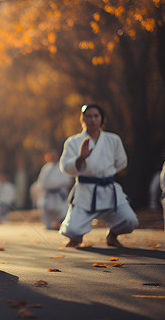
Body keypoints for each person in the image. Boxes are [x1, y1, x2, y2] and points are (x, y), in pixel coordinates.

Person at [59, 104, 138, 247]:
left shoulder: (113, 140)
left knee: (130, 220)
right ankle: (76, 238)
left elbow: (121, 162)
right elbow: (65, 166)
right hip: (85, 191)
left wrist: (105, 173)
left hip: (108, 189)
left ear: (102, 119)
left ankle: (113, 235)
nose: (92, 119)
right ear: (82, 119)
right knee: (72, 229)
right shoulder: (73, 141)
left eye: (96, 116)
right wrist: (81, 158)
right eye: (88, 116)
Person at [32, 150, 73, 230]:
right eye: (51, 155)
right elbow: (41, 181)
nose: (53, 157)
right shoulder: (46, 168)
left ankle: (62, 225)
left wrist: (54, 184)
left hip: (59, 194)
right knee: (44, 206)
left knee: (63, 211)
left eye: (54, 155)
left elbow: (68, 180)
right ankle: (49, 225)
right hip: (48, 194)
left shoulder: (62, 166)